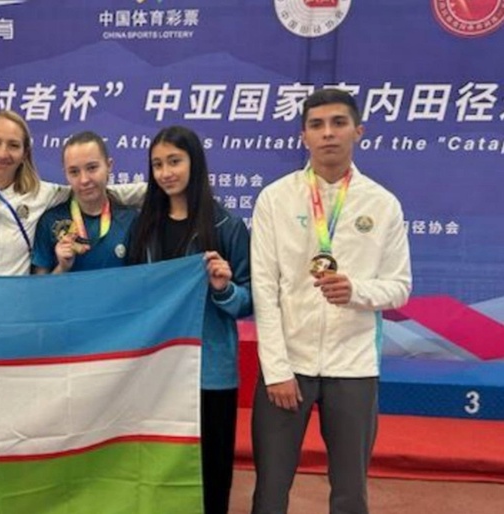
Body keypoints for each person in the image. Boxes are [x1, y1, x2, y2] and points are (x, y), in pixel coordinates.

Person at [249, 88, 411, 514]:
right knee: (270, 491)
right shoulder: (275, 199)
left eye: (338, 123)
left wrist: (357, 291)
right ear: (303, 135)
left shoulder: (383, 204)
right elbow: (265, 289)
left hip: (354, 366)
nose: (328, 133)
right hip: (289, 367)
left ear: (358, 131)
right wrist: (277, 370)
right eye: (317, 125)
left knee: (350, 493)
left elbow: (399, 286)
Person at [125, 125, 252, 514]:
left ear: (194, 163)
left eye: (174, 161)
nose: (166, 173)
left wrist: (224, 289)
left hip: (208, 372)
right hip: (156, 369)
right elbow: (132, 292)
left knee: (211, 471)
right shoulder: (143, 225)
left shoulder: (226, 226)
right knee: (157, 470)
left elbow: (249, 301)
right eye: (157, 164)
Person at [0, 110, 144, 276]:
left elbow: (93, 191)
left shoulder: (42, 194)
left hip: (18, 312)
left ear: (25, 153)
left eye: (13, 145)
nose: (2, 153)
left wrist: (159, 191)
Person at [31, 130, 137, 273]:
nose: (84, 180)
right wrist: (62, 267)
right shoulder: (50, 221)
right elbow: (39, 285)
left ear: (109, 166)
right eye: (74, 172)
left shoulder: (130, 220)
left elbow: (144, 279)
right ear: (65, 174)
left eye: (92, 168)